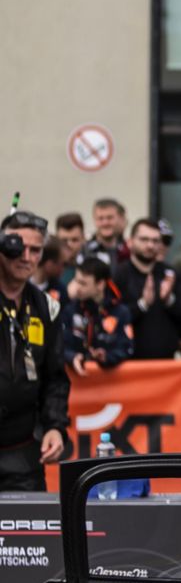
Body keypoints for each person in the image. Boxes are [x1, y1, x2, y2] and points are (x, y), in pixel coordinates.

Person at [0, 210, 69, 490]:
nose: (26, 257)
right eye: (17, 247)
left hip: (23, 452)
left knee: (31, 517)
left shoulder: (46, 308)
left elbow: (55, 378)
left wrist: (55, 427)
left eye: (35, 250)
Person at [112, 218, 181, 360]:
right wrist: (142, 305)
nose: (150, 245)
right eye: (144, 239)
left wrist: (169, 301)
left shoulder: (171, 275)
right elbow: (111, 319)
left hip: (166, 362)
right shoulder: (118, 275)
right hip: (128, 364)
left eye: (155, 241)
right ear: (130, 242)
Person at [60, 257, 133, 375]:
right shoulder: (70, 310)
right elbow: (59, 345)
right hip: (76, 380)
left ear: (100, 284)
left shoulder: (120, 312)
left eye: (83, 283)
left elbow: (126, 348)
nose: (77, 287)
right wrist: (72, 357)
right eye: (76, 281)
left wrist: (106, 357)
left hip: (108, 382)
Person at [82, 197, 128, 265]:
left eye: (110, 218)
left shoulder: (127, 250)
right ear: (94, 220)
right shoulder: (85, 251)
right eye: (100, 218)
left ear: (119, 219)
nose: (105, 223)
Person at [54, 212, 84, 286]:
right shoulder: (48, 269)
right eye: (64, 240)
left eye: (74, 240)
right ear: (56, 239)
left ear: (83, 239)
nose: (69, 245)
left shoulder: (93, 267)